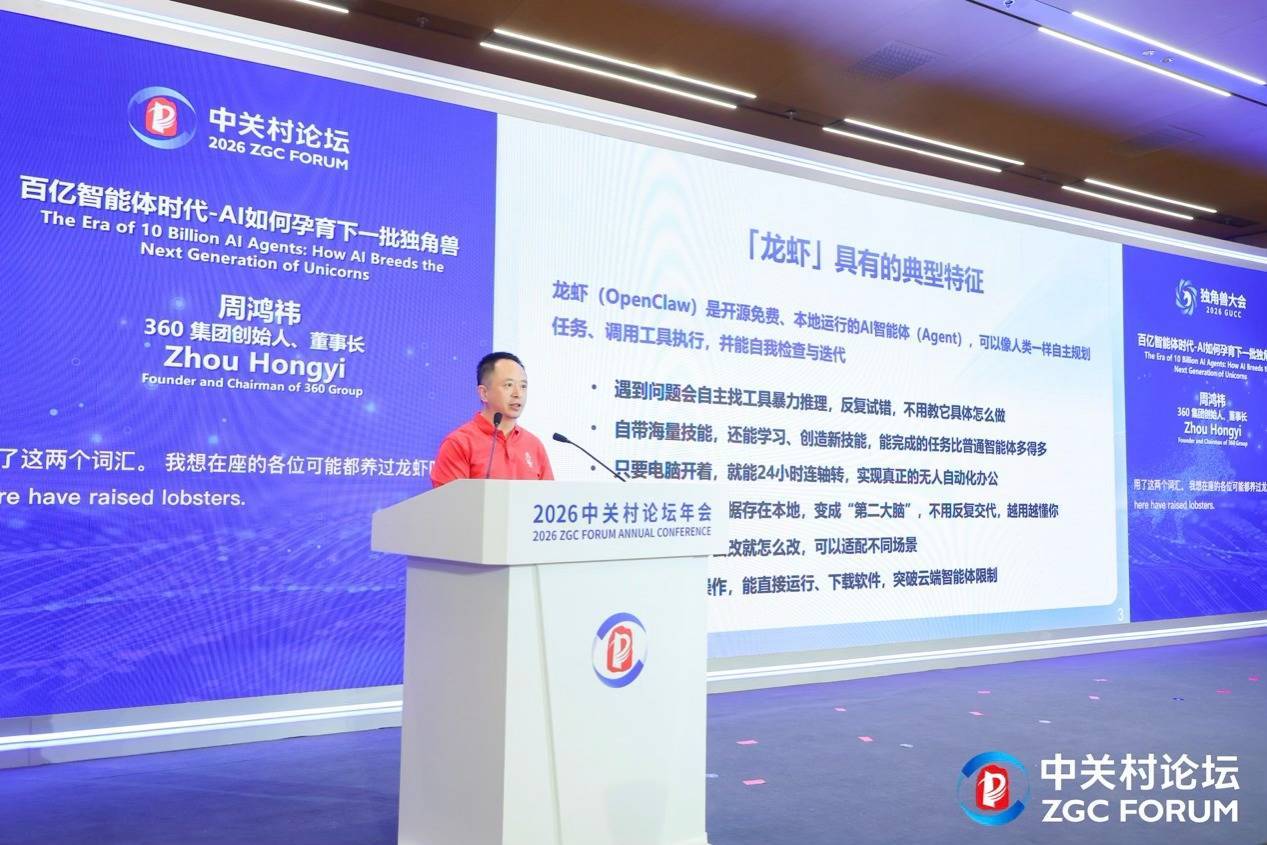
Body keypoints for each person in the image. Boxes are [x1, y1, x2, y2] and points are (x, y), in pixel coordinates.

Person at [430, 351, 554, 487]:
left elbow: (548, 497)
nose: (518, 394)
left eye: (523, 386)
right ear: (484, 393)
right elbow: (449, 499)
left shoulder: (534, 445)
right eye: (508, 385)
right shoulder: (459, 444)